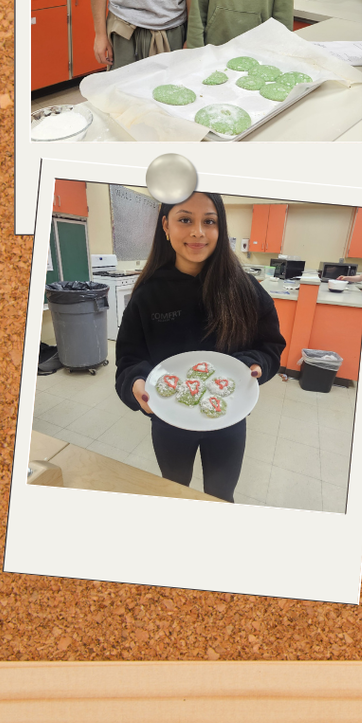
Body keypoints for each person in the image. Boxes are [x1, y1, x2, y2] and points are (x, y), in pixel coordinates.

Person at [114, 192, 286, 503]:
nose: (198, 232)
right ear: (166, 225)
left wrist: (256, 362)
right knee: (175, 491)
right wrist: (135, 383)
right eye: (185, 220)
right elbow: (129, 358)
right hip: (169, 418)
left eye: (209, 221)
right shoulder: (147, 296)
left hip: (228, 418)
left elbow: (270, 344)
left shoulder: (245, 289)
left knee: (220, 496)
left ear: (220, 230)